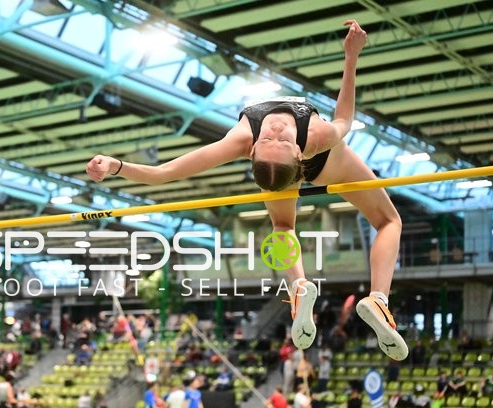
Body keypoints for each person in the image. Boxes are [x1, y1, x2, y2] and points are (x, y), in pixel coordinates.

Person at [85, 20, 407, 361]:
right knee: (376, 222)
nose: (276, 129)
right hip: (301, 168)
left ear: (288, 151)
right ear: (258, 151)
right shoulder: (285, 140)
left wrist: (351, 57)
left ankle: (330, 294)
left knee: (340, 223)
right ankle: (345, 294)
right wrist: (116, 166)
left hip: (310, 163)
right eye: (271, 138)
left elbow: (344, 121)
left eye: (276, 138)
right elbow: (164, 173)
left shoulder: (275, 139)